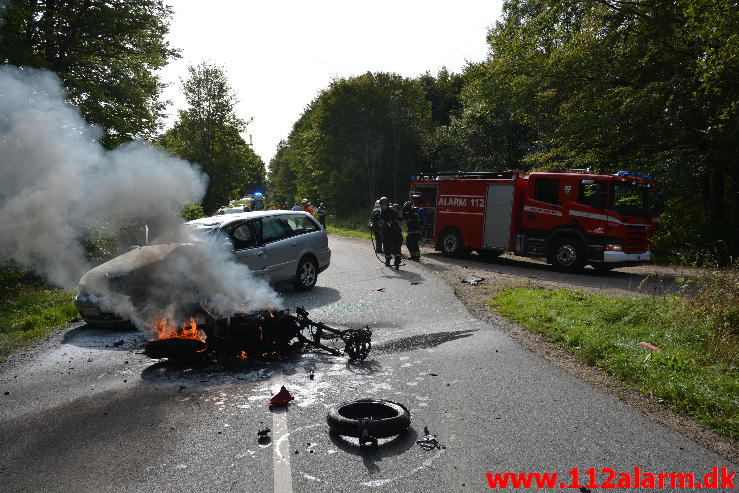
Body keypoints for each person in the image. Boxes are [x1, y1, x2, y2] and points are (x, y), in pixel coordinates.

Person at [377, 196, 403, 269]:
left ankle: (397, 262)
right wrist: (373, 225)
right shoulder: (381, 213)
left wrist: (390, 223)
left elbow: (398, 219)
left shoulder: (392, 211)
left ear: (387, 204)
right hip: (387, 233)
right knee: (386, 248)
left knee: (397, 248)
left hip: (396, 233)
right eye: (381, 204)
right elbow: (377, 221)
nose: (382, 206)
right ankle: (388, 260)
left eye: (384, 204)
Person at [403, 193, 422, 261]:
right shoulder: (408, 212)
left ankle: (417, 257)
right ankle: (413, 255)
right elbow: (404, 218)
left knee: (414, 244)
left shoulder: (414, 212)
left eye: (406, 210)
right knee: (408, 242)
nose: (405, 211)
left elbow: (410, 219)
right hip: (411, 231)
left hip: (415, 231)